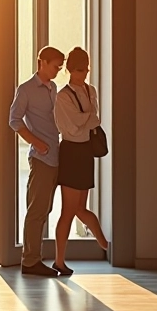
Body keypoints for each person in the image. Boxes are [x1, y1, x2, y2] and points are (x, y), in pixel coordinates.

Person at [52, 46, 109, 276]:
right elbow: (73, 126)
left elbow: (94, 120)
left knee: (79, 208)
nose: (83, 74)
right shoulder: (62, 96)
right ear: (69, 69)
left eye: (86, 69)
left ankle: (103, 243)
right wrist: (86, 120)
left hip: (85, 151)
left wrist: (84, 120)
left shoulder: (90, 90)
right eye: (78, 70)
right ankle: (60, 260)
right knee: (68, 210)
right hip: (70, 152)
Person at [9, 46, 65, 277]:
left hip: (57, 157)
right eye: (55, 67)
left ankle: (34, 259)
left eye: (60, 68)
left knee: (45, 209)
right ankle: (30, 261)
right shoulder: (26, 90)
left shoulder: (54, 88)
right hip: (41, 158)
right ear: (41, 62)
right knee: (36, 210)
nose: (58, 71)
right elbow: (14, 120)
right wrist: (37, 143)